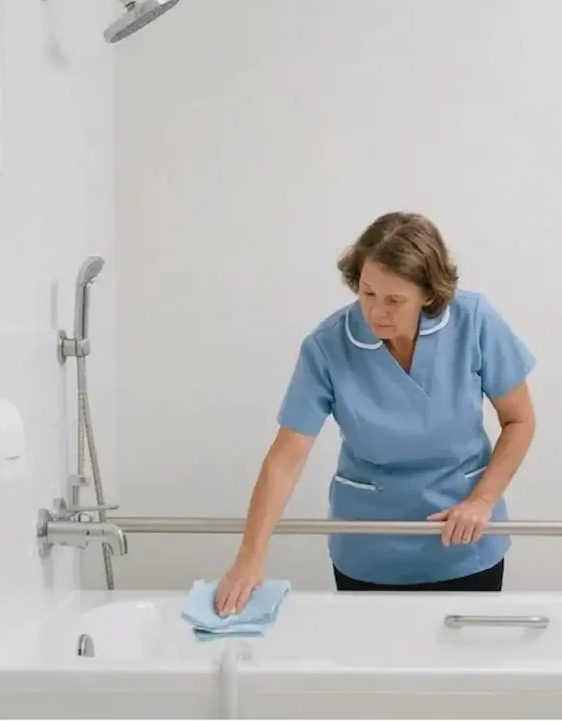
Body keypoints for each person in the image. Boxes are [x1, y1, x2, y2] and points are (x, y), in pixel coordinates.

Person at [215, 212, 536, 615]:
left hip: (465, 539)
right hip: (370, 547)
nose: (377, 312)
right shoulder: (327, 346)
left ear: (428, 294)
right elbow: (286, 457)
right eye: (367, 294)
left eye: (394, 300)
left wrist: (483, 499)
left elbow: (519, 420)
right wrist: (250, 557)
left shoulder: (474, 321)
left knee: (461, 672)